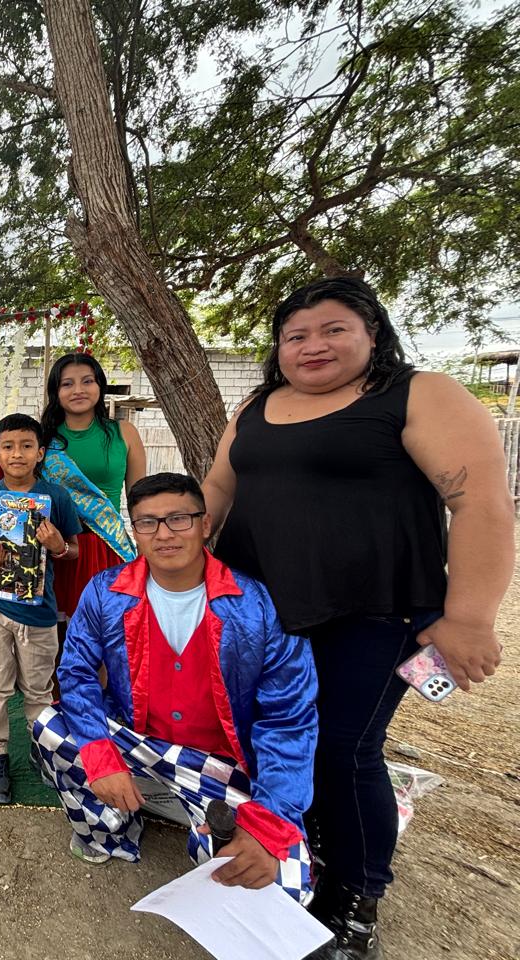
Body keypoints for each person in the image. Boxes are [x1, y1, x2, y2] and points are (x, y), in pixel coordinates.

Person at [202, 277, 513, 958]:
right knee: (270, 735)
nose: (313, 345)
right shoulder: (256, 405)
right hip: (259, 612)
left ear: (373, 334)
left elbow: (482, 503)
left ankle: (355, 899)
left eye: (333, 329)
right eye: (296, 335)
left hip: (373, 613)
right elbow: (220, 487)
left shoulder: (419, 394)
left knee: (342, 751)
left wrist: (468, 617)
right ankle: (305, 846)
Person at [33, 473, 318, 905]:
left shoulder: (256, 605)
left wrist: (269, 822)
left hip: (220, 764)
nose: (164, 534)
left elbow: (289, 718)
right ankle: (110, 831)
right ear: (135, 531)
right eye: (148, 523)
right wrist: (100, 756)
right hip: (137, 741)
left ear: (205, 524)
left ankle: (212, 843)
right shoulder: (106, 592)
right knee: (49, 726)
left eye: (178, 519)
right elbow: (76, 673)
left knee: (282, 883)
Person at [0, 413, 80, 804]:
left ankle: (41, 747)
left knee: (39, 689)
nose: (17, 454)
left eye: (27, 446)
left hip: (39, 611)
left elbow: (74, 550)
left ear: (40, 453)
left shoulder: (56, 497)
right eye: (8, 447)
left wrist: (58, 546)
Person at [39, 353, 144, 622]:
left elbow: (140, 500)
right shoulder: (42, 439)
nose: (78, 390)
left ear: (100, 385)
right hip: (57, 547)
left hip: (106, 546)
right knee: (57, 635)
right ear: (55, 391)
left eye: (87, 381)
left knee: (108, 631)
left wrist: (146, 550)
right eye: (67, 384)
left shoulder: (124, 433)